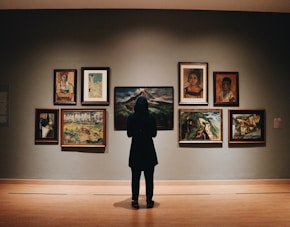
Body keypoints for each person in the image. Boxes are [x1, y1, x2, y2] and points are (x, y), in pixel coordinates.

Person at [127, 96, 158, 209]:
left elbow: (129, 134)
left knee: (135, 178)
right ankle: (149, 200)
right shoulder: (151, 117)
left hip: (136, 150)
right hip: (148, 150)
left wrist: (138, 131)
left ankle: (135, 200)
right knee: (149, 178)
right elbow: (154, 134)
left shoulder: (131, 117)